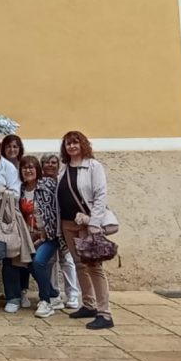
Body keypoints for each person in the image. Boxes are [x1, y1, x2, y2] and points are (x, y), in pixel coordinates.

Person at [57, 131, 117, 330]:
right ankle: (89, 305)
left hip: (86, 223)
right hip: (68, 224)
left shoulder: (93, 166)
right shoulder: (64, 169)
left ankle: (105, 313)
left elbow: (100, 195)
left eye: (75, 142)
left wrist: (94, 222)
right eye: (68, 144)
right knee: (79, 265)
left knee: (94, 267)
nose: (72, 146)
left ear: (83, 144)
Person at [19, 156, 62, 319]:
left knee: (38, 262)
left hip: (49, 234)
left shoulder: (48, 184)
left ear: (37, 169)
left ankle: (45, 301)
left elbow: (58, 208)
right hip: (30, 236)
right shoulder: (21, 189)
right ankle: (53, 294)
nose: (28, 170)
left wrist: (46, 233)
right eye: (24, 168)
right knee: (29, 264)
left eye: (31, 167)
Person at [40, 152, 80, 309]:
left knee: (67, 260)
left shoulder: (63, 180)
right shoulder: (40, 183)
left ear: (58, 165)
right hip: (48, 228)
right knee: (50, 262)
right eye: (47, 162)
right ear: (42, 165)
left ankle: (73, 294)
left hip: (64, 225)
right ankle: (54, 294)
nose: (50, 165)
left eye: (53, 162)